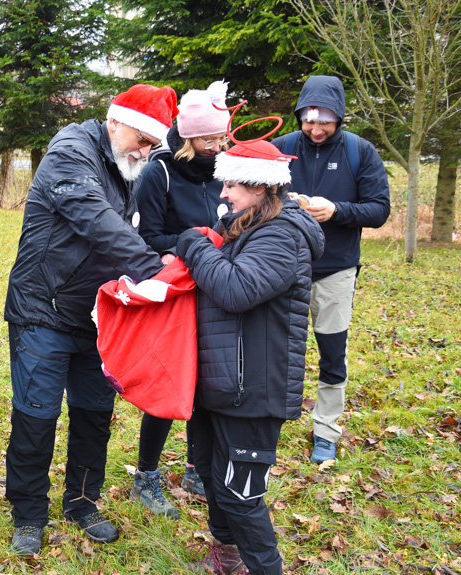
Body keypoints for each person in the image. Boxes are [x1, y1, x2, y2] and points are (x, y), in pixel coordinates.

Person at [3, 83, 178, 556]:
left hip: (99, 316)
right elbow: (96, 220)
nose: (146, 150)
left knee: (94, 414)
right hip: (44, 309)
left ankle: (82, 502)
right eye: (141, 138)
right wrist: (152, 268)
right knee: (37, 415)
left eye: (152, 143)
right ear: (115, 120)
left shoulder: (127, 166)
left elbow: (136, 227)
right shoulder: (71, 152)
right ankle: (28, 513)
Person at [175, 108, 324, 574]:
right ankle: (228, 558)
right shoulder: (246, 227)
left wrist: (195, 244)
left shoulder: (283, 236)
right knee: (216, 484)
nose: (222, 195)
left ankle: (264, 567)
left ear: (258, 187)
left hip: (254, 391)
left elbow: (236, 290)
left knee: (241, 496)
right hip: (224, 384)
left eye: (230, 186)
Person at [271, 75, 390, 463]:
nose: (316, 129)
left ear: (339, 118)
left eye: (325, 121)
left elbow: (379, 210)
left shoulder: (361, 151)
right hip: (281, 265)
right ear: (300, 114)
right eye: (309, 120)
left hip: (336, 269)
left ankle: (325, 429)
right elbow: (250, 195)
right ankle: (265, 419)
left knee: (331, 351)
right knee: (271, 348)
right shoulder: (281, 148)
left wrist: (337, 211)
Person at [131, 80, 232, 514]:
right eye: (209, 139)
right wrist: (198, 240)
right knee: (171, 383)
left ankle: (196, 468)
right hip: (174, 288)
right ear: (189, 136)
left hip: (217, 286)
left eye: (221, 137)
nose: (217, 146)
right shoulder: (161, 172)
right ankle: (146, 477)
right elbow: (146, 235)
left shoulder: (226, 168)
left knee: (205, 384)